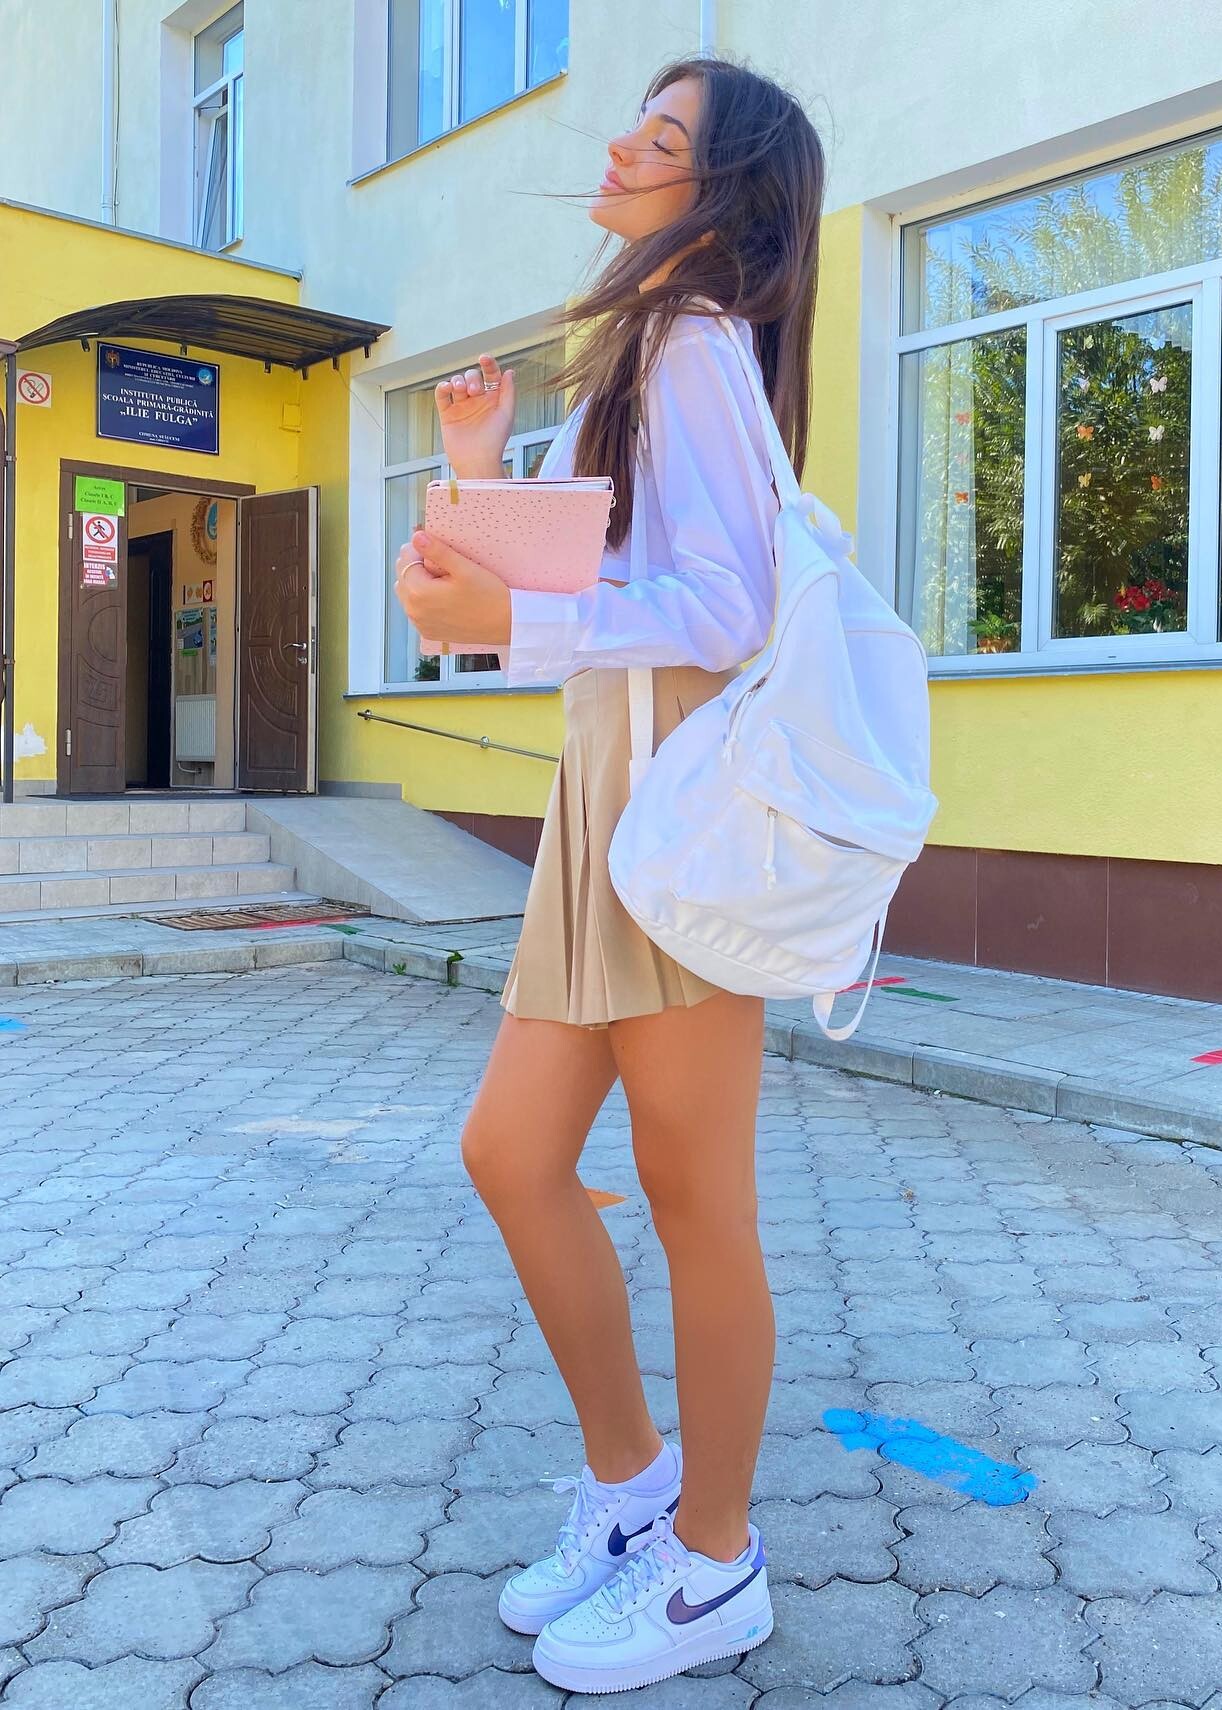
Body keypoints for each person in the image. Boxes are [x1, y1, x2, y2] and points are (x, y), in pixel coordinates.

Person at [393, 54, 825, 1696]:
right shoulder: (640, 350)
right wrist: (480, 466)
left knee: (696, 1196)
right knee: (511, 1152)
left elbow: (724, 604)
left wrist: (512, 610)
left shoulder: (697, 340)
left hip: (680, 824)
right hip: (604, 813)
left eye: (663, 137)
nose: (624, 148)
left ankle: (717, 1560)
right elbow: (593, 576)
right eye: (634, 123)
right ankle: (637, 1484)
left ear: (722, 193)